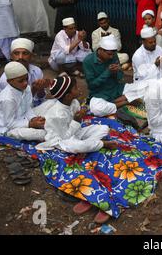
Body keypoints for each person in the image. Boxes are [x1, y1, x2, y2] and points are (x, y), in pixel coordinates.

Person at [36, 75, 119, 225]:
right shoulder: (56, 114)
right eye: (75, 88)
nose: (79, 89)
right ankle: (100, 145)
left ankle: (90, 146)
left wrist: (80, 116)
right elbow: (64, 137)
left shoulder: (73, 102)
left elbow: (77, 124)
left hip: (76, 134)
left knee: (103, 128)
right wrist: (76, 121)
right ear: (67, 95)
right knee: (78, 145)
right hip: (62, 142)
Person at [0, 62, 46, 141]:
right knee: (41, 134)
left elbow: (28, 108)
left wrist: (33, 118)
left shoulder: (26, 88)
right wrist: (30, 124)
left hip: (24, 118)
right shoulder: (7, 98)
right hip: (9, 129)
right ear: (9, 81)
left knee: (51, 103)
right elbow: (9, 124)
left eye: (26, 79)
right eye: (21, 81)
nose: (25, 83)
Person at [83, 35, 128, 117]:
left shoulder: (113, 55)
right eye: (109, 54)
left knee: (141, 89)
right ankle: (126, 101)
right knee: (96, 109)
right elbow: (91, 85)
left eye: (113, 54)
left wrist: (117, 71)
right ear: (100, 50)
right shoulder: (88, 61)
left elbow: (120, 78)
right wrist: (107, 72)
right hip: (100, 93)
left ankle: (113, 102)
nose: (111, 57)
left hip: (116, 88)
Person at [0, 38, 50, 106]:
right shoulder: (6, 80)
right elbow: (17, 108)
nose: (20, 57)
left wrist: (41, 88)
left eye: (25, 53)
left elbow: (41, 97)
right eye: (16, 53)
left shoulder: (36, 71)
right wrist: (33, 90)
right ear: (11, 56)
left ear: (31, 56)